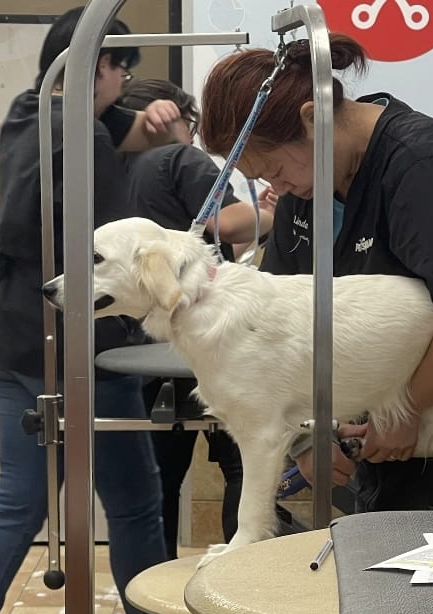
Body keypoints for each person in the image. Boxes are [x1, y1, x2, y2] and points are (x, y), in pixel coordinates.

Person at [197, 34, 433, 513]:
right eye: (264, 180)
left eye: (274, 168)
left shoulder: (421, 166)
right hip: (376, 446)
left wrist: (405, 407)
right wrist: (305, 438)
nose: (278, 188)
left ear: (313, 119)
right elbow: (275, 327)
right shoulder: (308, 188)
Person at [0, 8, 194, 614]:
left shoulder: (28, 110)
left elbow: (118, 130)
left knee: (17, 504)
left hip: (7, 339)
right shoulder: (82, 140)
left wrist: (153, 122)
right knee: (135, 505)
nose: (125, 84)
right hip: (69, 348)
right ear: (100, 65)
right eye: (122, 70)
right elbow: (110, 256)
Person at [115, 78, 276, 556]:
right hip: (201, 337)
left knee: (160, 477)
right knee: (241, 462)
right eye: (192, 123)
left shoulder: (115, 168)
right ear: (176, 121)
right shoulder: (180, 158)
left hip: (139, 345)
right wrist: (279, 209)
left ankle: (152, 587)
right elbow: (226, 225)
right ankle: (241, 579)